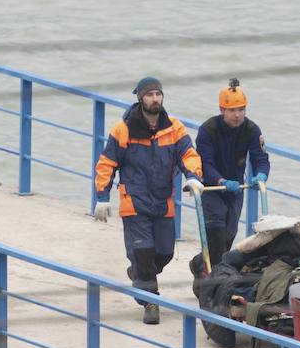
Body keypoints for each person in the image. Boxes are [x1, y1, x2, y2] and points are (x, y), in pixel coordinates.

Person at [93, 76, 203, 324]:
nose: (155, 99)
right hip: (135, 202)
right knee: (143, 252)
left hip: (163, 202)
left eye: (158, 94)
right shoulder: (124, 129)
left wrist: (193, 176)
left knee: (163, 252)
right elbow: (107, 163)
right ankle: (150, 302)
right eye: (150, 94)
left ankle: (139, 275)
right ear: (140, 98)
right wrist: (102, 196)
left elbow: (188, 153)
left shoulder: (174, 127)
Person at [195, 78, 270, 267]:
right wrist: (221, 180)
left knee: (228, 239)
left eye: (241, 110)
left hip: (236, 190)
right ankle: (214, 286)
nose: (237, 115)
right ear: (222, 110)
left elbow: (261, 158)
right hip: (212, 188)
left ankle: (198, 264)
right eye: (232, 110)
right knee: (217, 237)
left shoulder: (252, 130)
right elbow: (205, 164)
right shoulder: (207, 130)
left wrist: (261, 174)